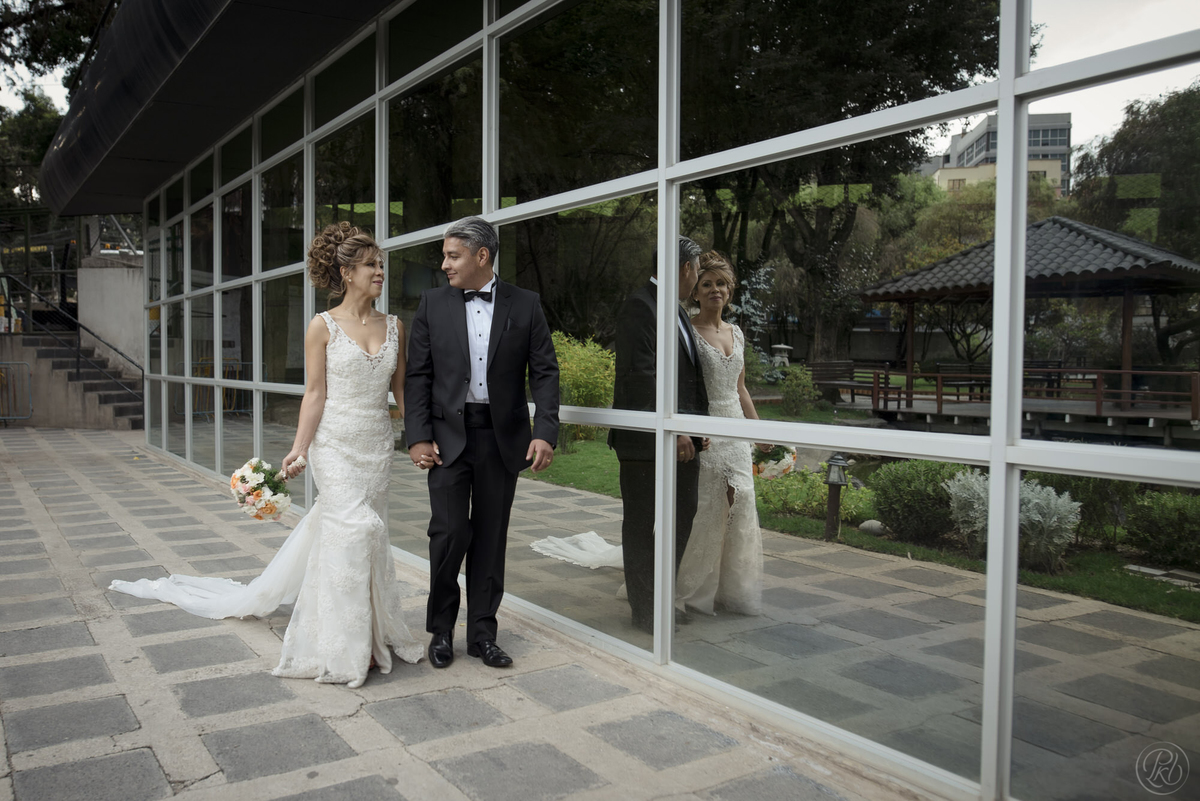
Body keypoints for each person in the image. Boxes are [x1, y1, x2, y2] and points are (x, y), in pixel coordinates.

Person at [110, 222, 423, 688]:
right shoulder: (322, 326)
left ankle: (373, 635)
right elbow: (314, 394)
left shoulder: (395, 325)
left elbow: (403, 392)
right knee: (355, 529)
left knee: (367, 539)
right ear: (346, 271)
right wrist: (298, 450)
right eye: (372, 265)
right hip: (334, 445)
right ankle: (343, 646)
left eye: (381, 265)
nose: (381, 272)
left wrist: (419, 438)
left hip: (375, 447)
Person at [405, 216, 559, 669]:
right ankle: (440, 631)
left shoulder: (526, 305)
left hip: (501, 439)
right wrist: (417, 436)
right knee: (449, 534)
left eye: (453, 255)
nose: (445, 264)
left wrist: (545, 431)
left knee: (491, 539)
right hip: (447, 439)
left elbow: (545, 373)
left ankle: (483, 635)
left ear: (482, 256)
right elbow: (418, 376)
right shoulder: (432, 303)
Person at [609, 235, 709, 634]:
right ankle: (645, 612)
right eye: (697, 271)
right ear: (684, 269)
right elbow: (642, 376)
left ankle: (660, 601)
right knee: (641, 525)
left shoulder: (679, 311)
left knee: (682, 516)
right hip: (647, 442)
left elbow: (687, 377)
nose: (698, 278)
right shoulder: (640, 305)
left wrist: (700, 427)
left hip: (684, 438)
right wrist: (674, 428)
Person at [676, 251, 767, 616]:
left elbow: (740, 388)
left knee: (741, 500)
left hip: (736, 432)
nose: (716, 290)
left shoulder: (737, 333)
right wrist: (692, 430)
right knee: (711, 506)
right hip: (707, 429)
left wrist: (758, 429)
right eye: (707, 284)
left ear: (730, 292)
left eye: (722, 284)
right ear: (695, 292)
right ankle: (688, 589)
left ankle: (731, 590)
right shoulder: (688, 332)